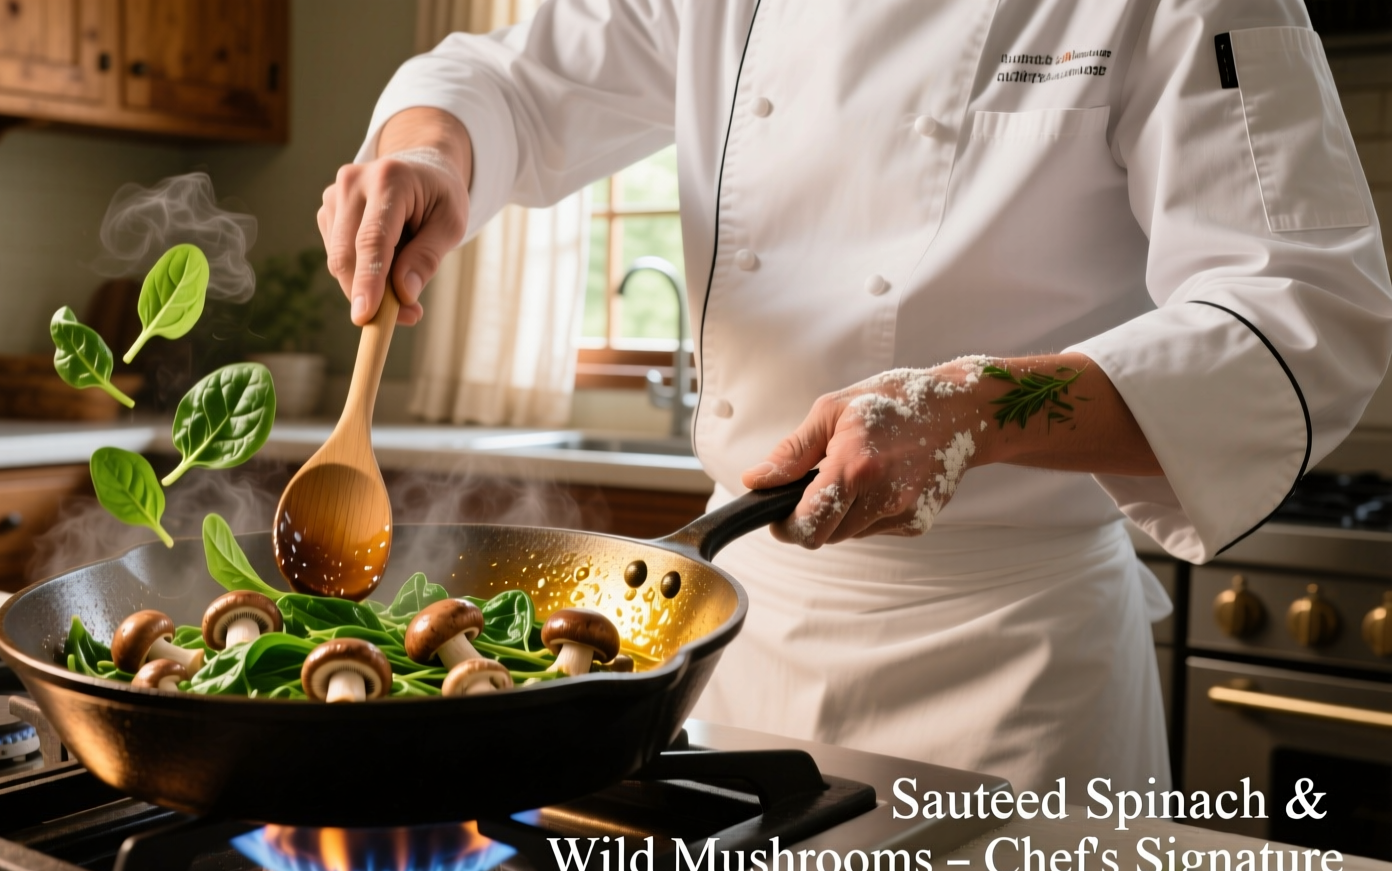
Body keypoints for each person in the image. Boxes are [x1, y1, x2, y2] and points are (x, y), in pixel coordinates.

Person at [317, 0, 1392, 794]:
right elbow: (505, 78)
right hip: (739, 650)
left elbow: (1305, 310)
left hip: (1011, 675)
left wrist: (969, 408)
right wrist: (425, 157)